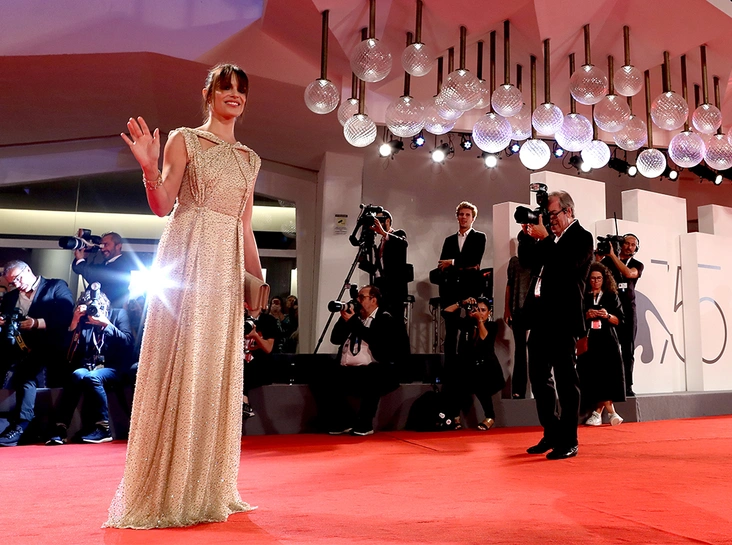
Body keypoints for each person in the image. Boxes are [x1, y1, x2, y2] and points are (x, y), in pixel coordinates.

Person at [105, 63, 263, 529]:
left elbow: (246, 227)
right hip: (189, 256)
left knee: (213, 370)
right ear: (208, 93)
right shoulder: (185, 139)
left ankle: (206, 486)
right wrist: (149, 168)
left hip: (226, 269)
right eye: (225, 87)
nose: (234, 95)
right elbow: (162, 205)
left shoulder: (250, 159)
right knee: (183, 362)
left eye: (241, 89)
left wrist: (257, 281)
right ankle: (168, 487)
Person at [519, 190, 593, 460]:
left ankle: (569, 439)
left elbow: (566, 266)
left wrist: (545, 239)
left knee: (566, 381)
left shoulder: (582, 237)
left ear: (568, 211)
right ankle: (551, 431)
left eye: (553, 214)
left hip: (563, 320)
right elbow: (528, 260)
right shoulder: (551, 240)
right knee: (539, 378)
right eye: (547, 215)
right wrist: (528, 235)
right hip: (541, 318)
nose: (550, 219)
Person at [315, 285, 410, 436]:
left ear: (373, 300)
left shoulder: (385, 318)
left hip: (376, 370)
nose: (357, 301)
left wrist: (353, 322)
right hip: (348, 369)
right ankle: (343, 420)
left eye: (361, 297)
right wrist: (343, 320)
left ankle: (365, 423)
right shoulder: (354, 318)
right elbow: (335, 339)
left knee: (373, 373)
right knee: (321, 372)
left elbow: (377, 340)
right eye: (357, 297)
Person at [45, 287, 134, 445]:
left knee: (92, 377)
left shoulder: (118, 314)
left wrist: (106, 324)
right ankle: (60, 427)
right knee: (77, 375)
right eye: (90, 308)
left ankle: (103, 428)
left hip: (114, 367)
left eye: (98, 307)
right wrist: (74, 323)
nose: (94, 311)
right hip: (90, 366)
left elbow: (128, 342)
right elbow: (66, 352)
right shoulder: (84, 321)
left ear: (105, 305)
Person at [0, 260, 74, 447]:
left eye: (18, 279)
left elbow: (66, 316)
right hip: (18, 349)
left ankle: (22, 423)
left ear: (28, 270)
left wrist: (37, 323)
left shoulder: (56, 286)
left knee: (26, 374)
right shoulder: (10, 298)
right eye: (12, 283)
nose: (16, 284)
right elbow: (9, 323)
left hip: (50, 348)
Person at [441, 296, 505, 430]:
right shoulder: (467, 323)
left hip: (487, 370)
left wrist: (479, 321)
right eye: (477, 309)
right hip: (467, 367)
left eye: (483, 310)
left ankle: (490, 416)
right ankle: (454, 416)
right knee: (455, 380)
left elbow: (485, 339)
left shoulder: (492, 326)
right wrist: (461, 303)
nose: (479, 312)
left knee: (480, 381)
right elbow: (445, 313)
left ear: (489, 312)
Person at [435, 201, 487, 356]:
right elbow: (442, 265)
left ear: (473, 218)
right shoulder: (449, 240)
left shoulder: (479, 237)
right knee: (450, 332)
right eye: (461, 214)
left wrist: (452, 263)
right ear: (457, 217)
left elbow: (474, 260)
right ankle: (449, 368)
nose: (464, 217)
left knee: (469, 330)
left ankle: (467, 366)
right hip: (451, 291)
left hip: (471, 289)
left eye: (467, 215)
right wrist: (464, 266)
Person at [578, 263, 626, 427]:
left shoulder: (611, 295)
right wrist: (586, 315)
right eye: (592, 278)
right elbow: (575, 318)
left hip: (608, 340)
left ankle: (597, 413)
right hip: (589, 339)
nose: (595, 281)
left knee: (607, 375)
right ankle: (611, 412)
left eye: (598, 278)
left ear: (604, 279)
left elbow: (619, 320)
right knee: (593, 376)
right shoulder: (583, 295)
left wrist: (607, 316)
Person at [599, 234, 644, 397]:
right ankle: (607, 384)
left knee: (627, 349)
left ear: (636, 248)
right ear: (621, 244)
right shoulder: (607, 262)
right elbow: (594, 274)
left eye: (633, 244)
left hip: (628, 311)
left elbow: (628, 273)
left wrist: (612, 256)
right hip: (609, 310)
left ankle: (627, 385)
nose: (630, 247)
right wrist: (600, 257)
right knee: (607, 349)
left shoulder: (637, 264)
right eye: (627, 243)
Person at [358, 210, 411, 320]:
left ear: (387, 221)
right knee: (381, 318)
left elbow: (403, 243)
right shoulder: (380, 244)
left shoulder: (398, 234)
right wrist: (363, 262)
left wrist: (383, 233)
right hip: (381, 287)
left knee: (396, 320)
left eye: (380, 220)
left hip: (395, 288)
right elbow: (378, 269)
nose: (377, 223)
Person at [72, 232, 135, 309]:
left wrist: (81, 260)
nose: (102, 249)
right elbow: (77, 269)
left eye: (106, 244)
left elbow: (93, 277)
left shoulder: (122, 265)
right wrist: (84, 255)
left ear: (118, 246)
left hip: (109, 310)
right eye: (101, 245)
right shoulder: (105, 264)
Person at [505, 232, 533, 399]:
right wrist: (507, 309)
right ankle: (519, 390)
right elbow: (509, 285)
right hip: (518, 309)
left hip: (535, 310)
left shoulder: (538, 260)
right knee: (520, 351)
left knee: (535, 351)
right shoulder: (514, 262)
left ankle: (536, 389)